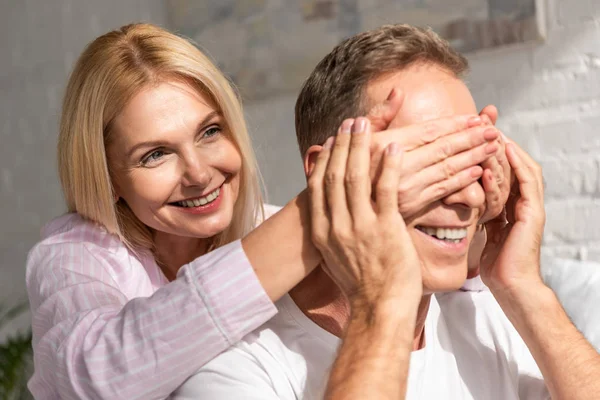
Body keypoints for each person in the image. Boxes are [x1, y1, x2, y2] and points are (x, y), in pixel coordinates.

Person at [26, 23, 508, 399]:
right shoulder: (73, 258)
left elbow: (436, 261)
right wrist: (337, 191)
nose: (198, 173)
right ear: (108, 178)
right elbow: (100, 380)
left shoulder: (266, 225)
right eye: (155, 154)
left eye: (210, 131)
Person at [172, 24, 600, 399]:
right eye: (431, 162)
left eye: (472, 162)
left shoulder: (484, 316)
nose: (469, 199)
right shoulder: (236, 372)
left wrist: (524, 287)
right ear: (329, 173)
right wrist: (380, 304)